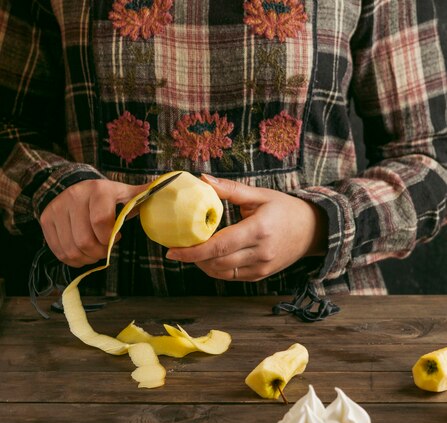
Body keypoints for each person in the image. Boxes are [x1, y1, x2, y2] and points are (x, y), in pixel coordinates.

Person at [0, 0, 446, 315]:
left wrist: (319, 224)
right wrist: (52, 187)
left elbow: (430, 159)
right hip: (98, 316)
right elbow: (9, 128)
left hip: (315, 318)